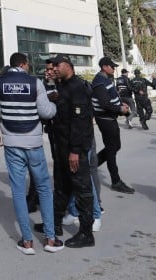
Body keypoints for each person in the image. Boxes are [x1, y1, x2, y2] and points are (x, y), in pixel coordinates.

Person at [0, 52, 61, 255]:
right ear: (23, 64)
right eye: (28, 64)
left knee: (18, 192)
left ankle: (27, 242)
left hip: (12, 143)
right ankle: (51, 239)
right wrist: (54, 104)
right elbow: (46, 112)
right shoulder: (34, 83)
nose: (29, 67)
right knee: (44, 189)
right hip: (34, 142)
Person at [50, 55, 96, 248]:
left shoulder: (78, 87)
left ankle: (86, 234)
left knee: (82, 190)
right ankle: (55, 224)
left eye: (57, 65)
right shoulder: (62, 86)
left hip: (74, 149)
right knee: (61, 186)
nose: (54, 69)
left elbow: (80, 122)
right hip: (61, 147)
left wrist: (75, 151)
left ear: (68, 65)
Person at [91, 57, 134, 194]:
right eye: (112, 66)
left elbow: (112, 97)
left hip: (111, 118)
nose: (114, 68)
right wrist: (120, 109)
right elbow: (104, 104)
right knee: (111, 149)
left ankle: (92, 165)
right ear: (104, 67)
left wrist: (121, 104)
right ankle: (116, 181)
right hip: (105, 120)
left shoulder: (106, 80)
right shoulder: (99, 82)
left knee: (115, 147)